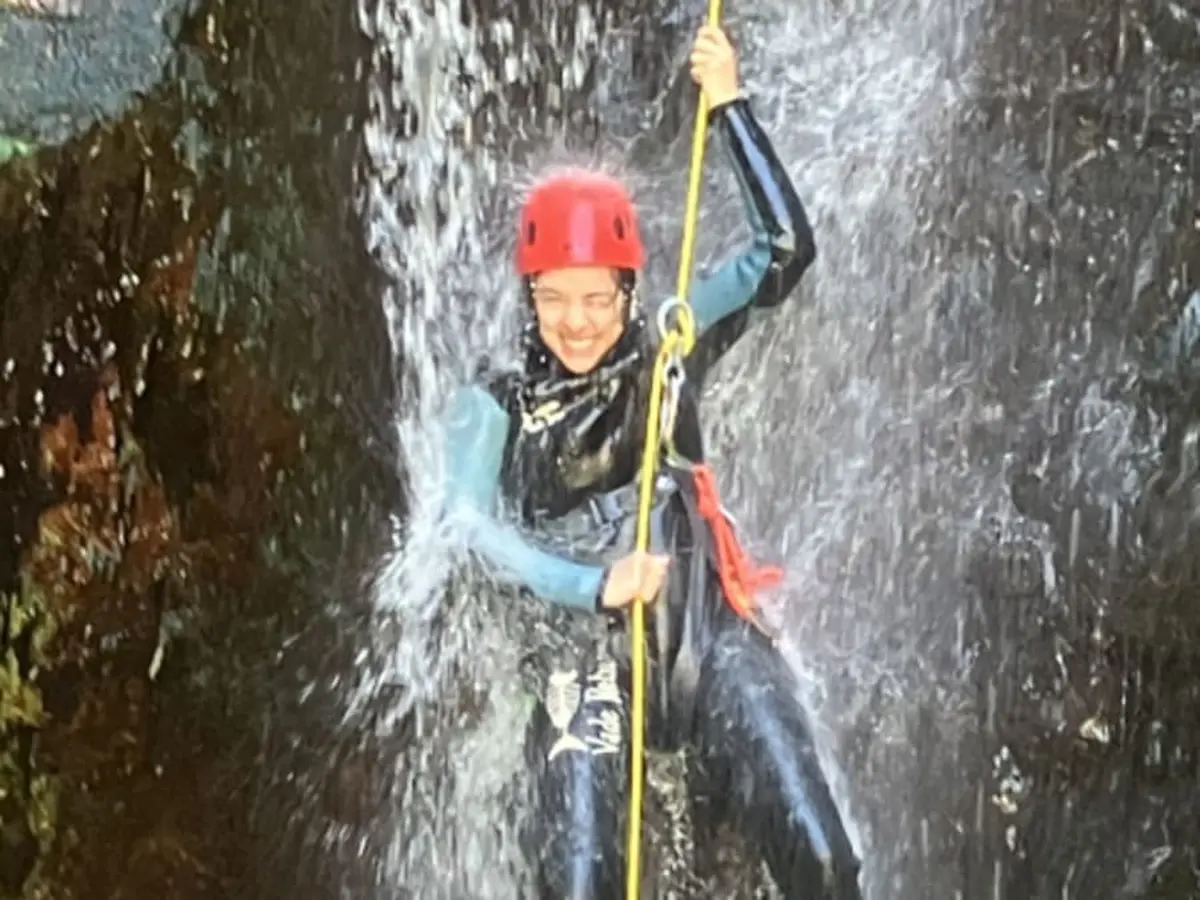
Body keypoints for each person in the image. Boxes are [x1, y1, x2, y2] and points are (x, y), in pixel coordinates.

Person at [439, 23, 862, 900]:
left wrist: (732, 106)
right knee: (582, 887)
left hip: (705, 642)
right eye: (555, 299)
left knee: (823, 860)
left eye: (598, 298)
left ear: (628, 291)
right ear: (529, 295)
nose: (578, 321)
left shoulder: (671, 343)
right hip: (581, 660)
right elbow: (466, 530)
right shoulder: (496, 402)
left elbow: (785, 252)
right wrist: (589, 586)